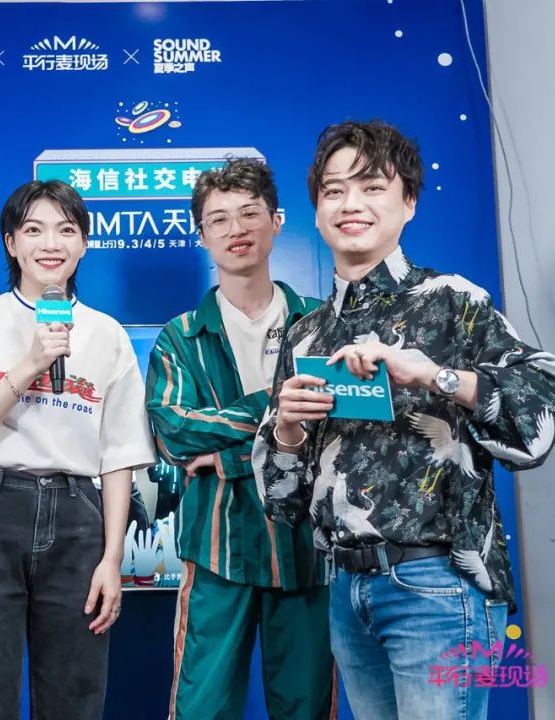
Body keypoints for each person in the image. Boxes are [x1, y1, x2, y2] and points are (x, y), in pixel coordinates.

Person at [255, 120, 555, 720]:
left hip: (437, 584)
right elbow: (282, 503)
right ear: (317, 213)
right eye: (333, 190)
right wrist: (288, 430)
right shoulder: (306, 334)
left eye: (372, 187)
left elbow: (544, 407)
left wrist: (434, 376)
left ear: (409, 203)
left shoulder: (452, 300)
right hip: (346, 591)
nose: (351, 204)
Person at [0, 179, 156, 719]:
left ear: (84, 244)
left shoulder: (106, 334)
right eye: (33, 230)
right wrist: (32, 363)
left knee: (74, 698)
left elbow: (119, 457)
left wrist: (111, 559)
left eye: (66, 230)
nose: (51, 243)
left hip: (78, 515)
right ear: (12, 244)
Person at [146, 158, 335, 719]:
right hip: (216, 548)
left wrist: (227, 457)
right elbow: (175, 433)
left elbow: (334, 429)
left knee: (307, 707)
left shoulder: (322, 324)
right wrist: (278, 406)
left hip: (305, 548)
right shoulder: (181, 336)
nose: (237, 229)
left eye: (250, 213)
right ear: (201, 234)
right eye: (219, 219)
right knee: (201, 708)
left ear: (277, 222)